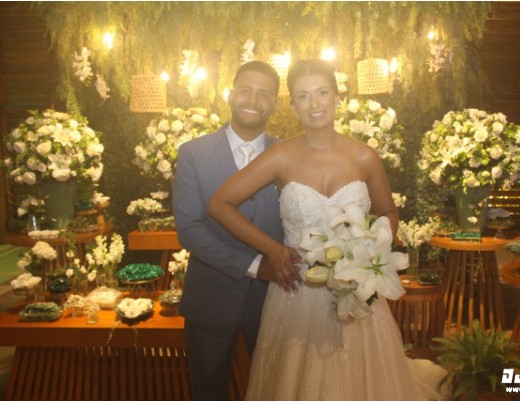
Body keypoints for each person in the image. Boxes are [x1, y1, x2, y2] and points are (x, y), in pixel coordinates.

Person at [209, 59, 446, 400]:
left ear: (337, 98)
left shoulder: (364, 157)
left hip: (357, 291)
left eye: (322, 93)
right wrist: (272, 249)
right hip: (296, 291)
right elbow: (220, 203)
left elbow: (388, 212)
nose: (314, 104)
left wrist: (371, 249)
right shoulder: (280, 156)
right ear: (293, 106)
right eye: (303, 96)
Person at [172, 60, 301, 401]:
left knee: (278, 391)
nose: (253, 100)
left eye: (264, 94)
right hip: (211, 298)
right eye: (245, 90)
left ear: (274, 104)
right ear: (230, 94)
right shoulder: (194, 153)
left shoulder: (290, 154)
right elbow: (189, 230)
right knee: (208, 392)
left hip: (276, 298)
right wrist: (256, 265)